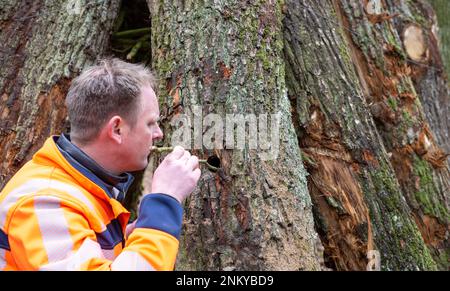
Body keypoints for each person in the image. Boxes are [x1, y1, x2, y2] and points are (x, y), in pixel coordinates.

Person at [0, 58, 201, 270]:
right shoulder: (42, 204)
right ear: (117, 129)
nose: (159, 134)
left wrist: (130, 238)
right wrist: (164, 202)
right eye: (150, 123)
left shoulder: (82, 186)